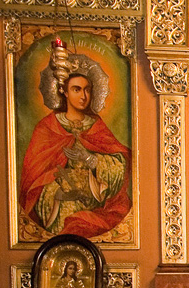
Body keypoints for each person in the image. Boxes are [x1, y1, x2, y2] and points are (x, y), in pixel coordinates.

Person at [19, 68, 131, 240]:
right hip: (57, 191)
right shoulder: (48, 126)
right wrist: (58, 185)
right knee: (67, 204)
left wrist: (90, 159)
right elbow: (34, 174)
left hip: (93, 191)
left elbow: (120, 162)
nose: (83, 96)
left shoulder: (96, 125)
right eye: (76, 89)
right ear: (64, 91)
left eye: (87, 90)